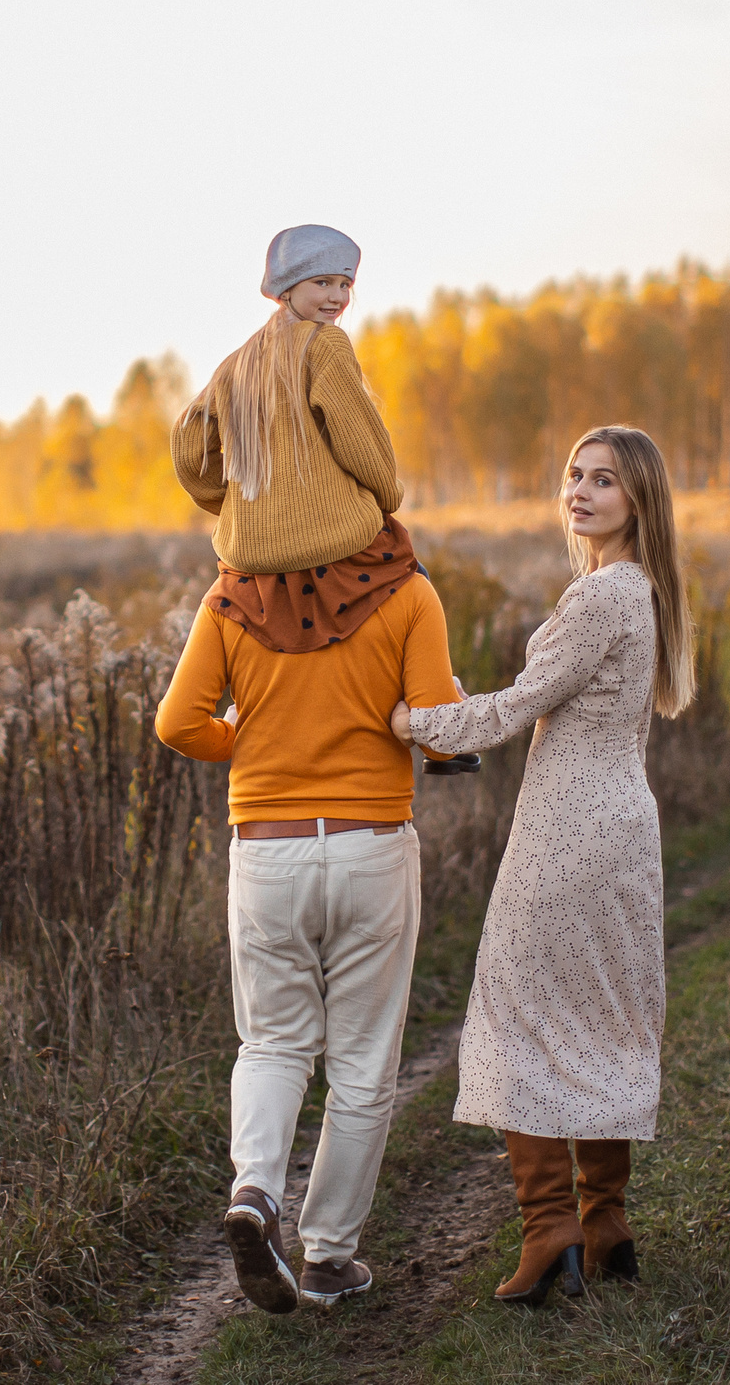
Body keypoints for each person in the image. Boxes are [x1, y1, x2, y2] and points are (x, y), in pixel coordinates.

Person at [387, 425, 695, 1306]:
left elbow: (516, 708)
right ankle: (606, 1224)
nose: (581, 490)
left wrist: (414, 723)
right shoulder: (642, 592)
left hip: (569, 833)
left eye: (605, 480)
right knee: (597, 1014)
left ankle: (548, 1226)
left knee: (515, 1012)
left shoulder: (601, 596)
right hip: (623, 828)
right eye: (574, 474)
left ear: (638, 499)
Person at [153, 530, 462, 1312]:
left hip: (268, 852)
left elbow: (178, 724)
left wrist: (248, 738)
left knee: (272, 1041)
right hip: (371, 850)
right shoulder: (407, 590)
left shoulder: (232, 597)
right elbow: (436, 724)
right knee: (361, 1065)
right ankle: (329, 1259)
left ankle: (255, 1191)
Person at [172, 225, 419, 659]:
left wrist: (230, 503)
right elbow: (361, 441)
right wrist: (387, 493)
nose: (337, 297)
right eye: (321, 282)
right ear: (286, 288)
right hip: (333, 541)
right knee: (417, 591)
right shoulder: (325, 344)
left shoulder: (238, 361)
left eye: (345, 284)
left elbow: (188, 440)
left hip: (249, 555)